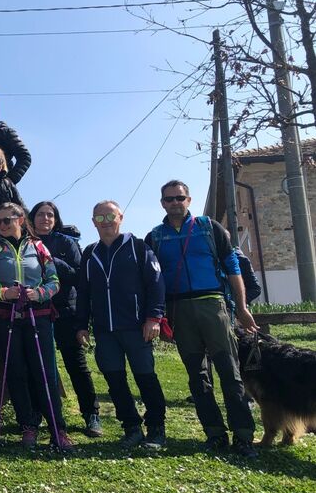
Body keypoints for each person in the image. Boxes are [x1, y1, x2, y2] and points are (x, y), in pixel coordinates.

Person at [146, 180, 259, 458]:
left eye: (179, 198)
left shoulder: (209, 227)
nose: (175, 202)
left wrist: (242, 308)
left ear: (189, 200)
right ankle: (214, 434)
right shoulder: (155, 237)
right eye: (169, 199)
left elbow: (233, 266)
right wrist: (157, 317)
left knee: (230, 373)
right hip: (179, 310)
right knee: (197, 377)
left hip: (213, 305)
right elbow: (151, 280)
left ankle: (243, 436)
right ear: (162, 203)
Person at [0, 202, 73, 450]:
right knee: (16, 373)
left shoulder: (39, 247)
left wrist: (38, 293)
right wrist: (3, 293)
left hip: (37, 316)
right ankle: (28, 426)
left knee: (45, 372)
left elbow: (54, 281)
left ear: (20, 219)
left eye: (7, 220)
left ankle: (57, 428)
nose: (2, 226)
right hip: (4, 318)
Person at [76, 201, 167, 448]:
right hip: (105, 331)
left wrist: (153, 318)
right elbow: (83, 293)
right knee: (115, 380)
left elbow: (156, 284)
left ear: (121, 217)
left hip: (137, 327)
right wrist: (82, 325)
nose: (106, 222)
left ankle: (157, 428)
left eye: (111, 216)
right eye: (100, 218)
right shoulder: (89, 252)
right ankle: (131, 427)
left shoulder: (138, 247)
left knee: (145, 377)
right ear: (93, 222)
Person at [30, 200, 102, 437]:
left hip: (65, 311)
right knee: (38, 365)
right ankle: (38, 413)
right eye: (41, 215)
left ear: (56, 219)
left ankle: (91, 414)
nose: (45, 219)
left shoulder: (66, 243)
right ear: (33, 218)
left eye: (50, 215)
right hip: (36, 311)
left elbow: (78, 277)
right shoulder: (25, 243)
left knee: (76, 365)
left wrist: (51, 258)